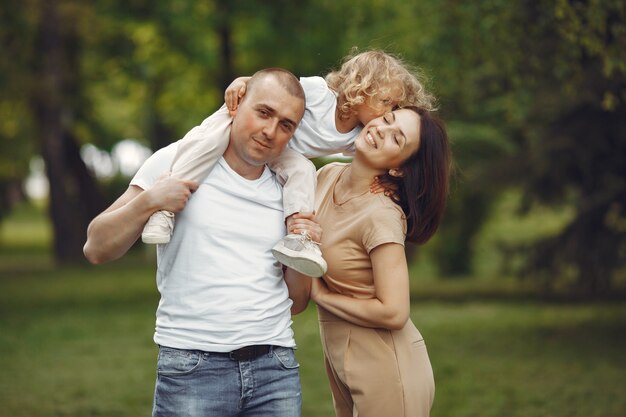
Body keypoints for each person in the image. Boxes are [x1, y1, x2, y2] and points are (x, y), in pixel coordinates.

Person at [83, 68, 317, 417]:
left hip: (275, 368)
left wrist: (304, 246)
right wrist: (150, 201)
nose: (270, 131)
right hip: (192, 368)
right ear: (236, 104)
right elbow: (96, 247)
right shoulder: (178, 161)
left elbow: (297, 301)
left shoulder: (290, 192)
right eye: (264, 113)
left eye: (286, 125)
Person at [141, 49, 436, 278]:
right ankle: (164, 208)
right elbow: (275, 90)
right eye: (386, 103)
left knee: (304, 170)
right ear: (363, 87)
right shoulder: (319, 94)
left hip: (276, 152)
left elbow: (375, 165)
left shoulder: (360, 135)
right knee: (208, 140)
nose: (388, 112)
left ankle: (299, 236)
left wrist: (387, 189)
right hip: (248, 125)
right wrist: (244, 83)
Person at [293, 107, 451, 417]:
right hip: (340, 356)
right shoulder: (326, 176)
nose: (381, 130)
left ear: (400, 168)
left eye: (397, 138)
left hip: (387, 364)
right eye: (387, 119)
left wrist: (322, 296)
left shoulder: (381, 215)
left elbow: (394, 312)